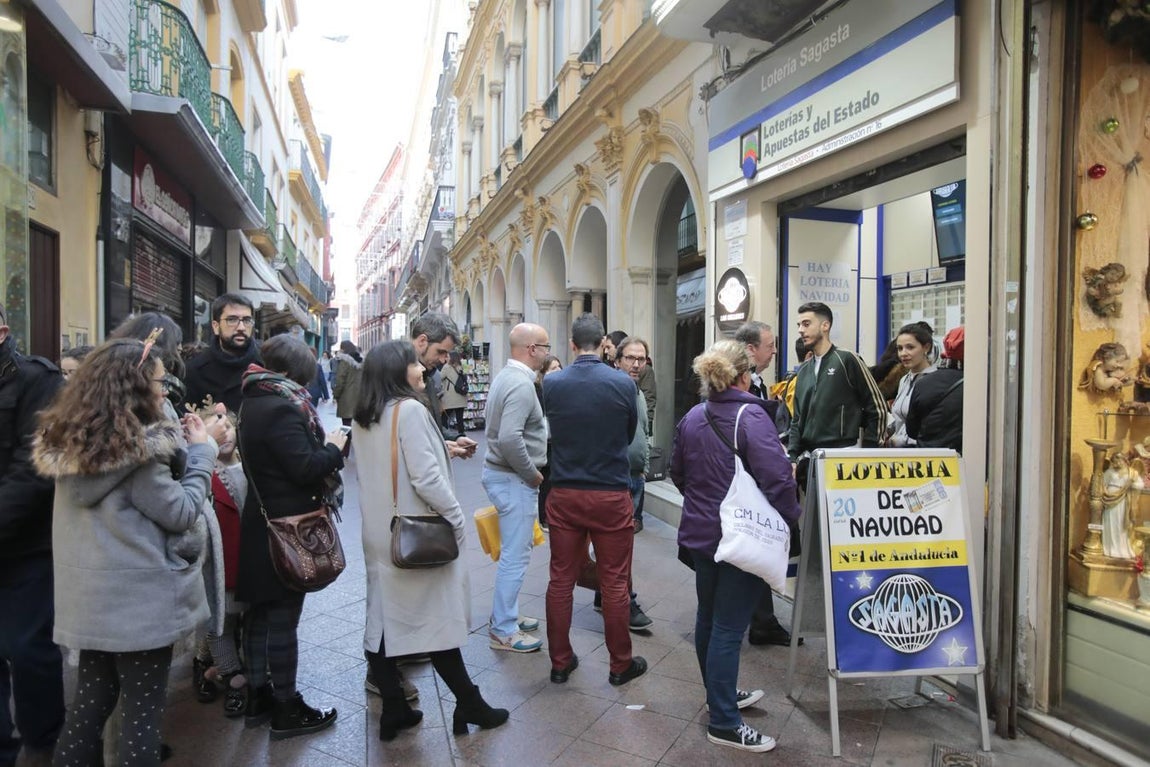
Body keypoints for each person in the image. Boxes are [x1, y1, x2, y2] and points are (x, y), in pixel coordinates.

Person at [32, 337, 215, 766]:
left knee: (88, 707)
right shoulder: (139, 454)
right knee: (141, 720)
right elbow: (183, 512)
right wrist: (203, 453)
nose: (163, 390)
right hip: (140, 607)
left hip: (90, 603)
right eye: (156, 381)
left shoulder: (70, 443)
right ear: (130, 387)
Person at [353, 340, 508, 740]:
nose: (421, 369)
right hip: (417, 534)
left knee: (383, 623)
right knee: (437, 622)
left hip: (381, 535)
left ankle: (394, 708)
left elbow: (400, 465)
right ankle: (469, 702)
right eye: (413, 364)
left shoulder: (365, 415)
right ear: (396, 371)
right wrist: (456, 516)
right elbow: (424, 478)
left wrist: (446, 448)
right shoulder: (410, 411)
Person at [670, 340, 801, 753]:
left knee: (709, 618)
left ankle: (719, 696)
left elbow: (677, 473)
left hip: (701, 535)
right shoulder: (751, 416)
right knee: (728, 628)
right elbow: (778, 480)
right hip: (740, 537)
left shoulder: (692, 416)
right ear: (744, 376)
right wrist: (791, 518)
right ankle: (725, 721)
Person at [236, 334, 347, 740]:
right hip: (285, 527)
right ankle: (286, 707)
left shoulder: (251, 400)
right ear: (286, 373)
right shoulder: (280, 408)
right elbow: (305, 468)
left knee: (260, 616)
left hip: (262, 521)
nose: (306, 387)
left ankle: (258, 698)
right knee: (282, 617)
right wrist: (334, 448)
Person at [543, 314, 646, 687]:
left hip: (566, 491)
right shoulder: (622, 383)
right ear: (604, 343)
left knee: (560, 579)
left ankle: (559, 661)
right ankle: (620, 664)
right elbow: (628, 431)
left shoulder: (551, 383)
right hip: (609, 492)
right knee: (615, 582)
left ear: (571, 345)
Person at [0, 301, 65, 767]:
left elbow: (32, 471)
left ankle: (43, 745)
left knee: (27, 650)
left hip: (28, 548)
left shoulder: (38, 380)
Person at [483, 324, 550, 653]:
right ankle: (503, 630)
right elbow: (509, 437)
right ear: (532, 349)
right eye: (545, 346)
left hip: (502, 475)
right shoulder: (521, 385)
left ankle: (505, 615)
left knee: (513, 552)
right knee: (516, 555)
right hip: (514, 478)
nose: (549, 352)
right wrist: (531, 474)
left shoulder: (504, 377)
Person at [732, 321, 794, 646]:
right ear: (752, 349)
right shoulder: (735, 389)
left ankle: (762, 620)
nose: (774, 351)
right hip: (742, 483)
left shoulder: (759, 383)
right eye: (770, 345)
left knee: (757, 549)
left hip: (754, 479)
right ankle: (753, 620)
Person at [787, 302, 888, 469]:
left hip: (843, 454)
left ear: (825, 325)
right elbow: (797, 420)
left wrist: (870, 450)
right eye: (799, 325)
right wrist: (792, 457)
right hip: (810, 457)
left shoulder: (847, 359)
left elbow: (877, 407)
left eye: (806, 324)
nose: (800, 330)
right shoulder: (804, 370)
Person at [195, 406, 247, 718]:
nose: (224, 432)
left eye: (228, 426)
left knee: (246, 620)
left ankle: (245, 671)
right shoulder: (201, 473)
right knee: (219, 624)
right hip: (217, 566)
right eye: (215, 428)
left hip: (247, 563)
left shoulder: (249, 468)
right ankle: (232, 679)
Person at [410, 313, 477, 459]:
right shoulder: (399, 378)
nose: (443, 360)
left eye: (446, 354)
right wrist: (439, 448)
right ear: (422, 341)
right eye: (440, 352)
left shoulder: (428, 376)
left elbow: (431, 424)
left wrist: (454, 438)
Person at [183, 293, 262, 412]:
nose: (241, 327)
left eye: (247, 320)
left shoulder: (265, 365)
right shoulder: (194, 370)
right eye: (232, 320)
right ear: (215, 326)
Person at [906, 326, 965, 452]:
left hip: (928, 460)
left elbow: (911, 430)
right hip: (964, 459)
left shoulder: (923, 383)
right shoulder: (982, 389)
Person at [886, 323, 938, 447]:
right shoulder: (904, 380)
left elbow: (928, 429)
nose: (903, 353)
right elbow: (898, 418)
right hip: (897, 454)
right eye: (900, 348)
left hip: (919, 455)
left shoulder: (934, 381)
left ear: (926, 347)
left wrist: (899, 440)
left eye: (910, 347)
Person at [536, 355, 562, 530]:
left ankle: (551, 515)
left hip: (557, 441)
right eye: (553, 368)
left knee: (553, 480)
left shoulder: (562, 389)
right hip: (543, 441)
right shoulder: (537, 390)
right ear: (544, 372)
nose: (558, 370)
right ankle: (544, 517)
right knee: (545, 481)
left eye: (559, 367)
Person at [332, 340, 363, 427]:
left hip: (347, 399)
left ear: (343, 349)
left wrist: (335, 395)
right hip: (360, 399)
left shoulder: (345, 361)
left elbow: (340, 381)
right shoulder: (362, 361)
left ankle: (348, 440)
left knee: (347, 426)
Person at [439, 352, 469, 438]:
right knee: (460, 419)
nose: (446, 358)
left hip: (450, 398)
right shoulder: (461, 367)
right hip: (461, 397)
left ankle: (444, 435)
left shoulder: (447, 367)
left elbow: (440, 377)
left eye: (447, 357)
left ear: (451, 358)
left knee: (444, 417)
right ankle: (462, 435)